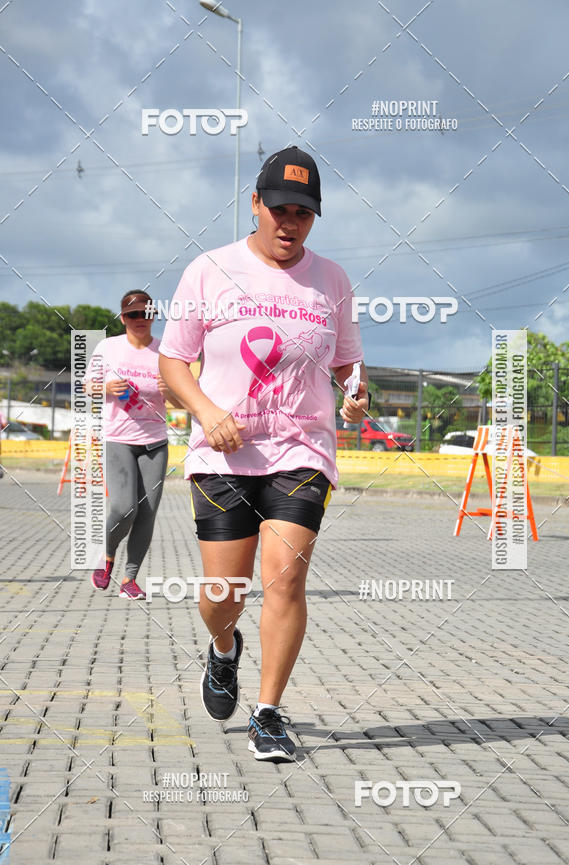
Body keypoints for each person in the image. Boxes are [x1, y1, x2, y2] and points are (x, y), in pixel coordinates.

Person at [159, 146, 368, 762]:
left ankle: (269, 712)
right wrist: (205, 410)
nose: (289, 222)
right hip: (222, 456)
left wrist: (356, 396)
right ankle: (225, 650)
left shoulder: (331, 280)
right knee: (224, 591)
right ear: (255, 205)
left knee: (285, 578)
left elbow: (348, 365)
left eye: (303, 212)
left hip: (301, 451)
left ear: (314, 217)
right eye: (278, 208)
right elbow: (173, 360)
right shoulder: (209, 270)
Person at [90, 290, 176, 599]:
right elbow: (87, 387)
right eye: (132, 315)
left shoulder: (166, 351)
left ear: (153, 316)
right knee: (124, 507)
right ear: (123, 318)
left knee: (147, 513)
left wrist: (171, 391)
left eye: (145, 314)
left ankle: (130, 579)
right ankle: (108, 555)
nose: (139, 320)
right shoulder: (108, 347)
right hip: (119, 440)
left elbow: (180, 401)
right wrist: (106, 387)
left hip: (155, 442)